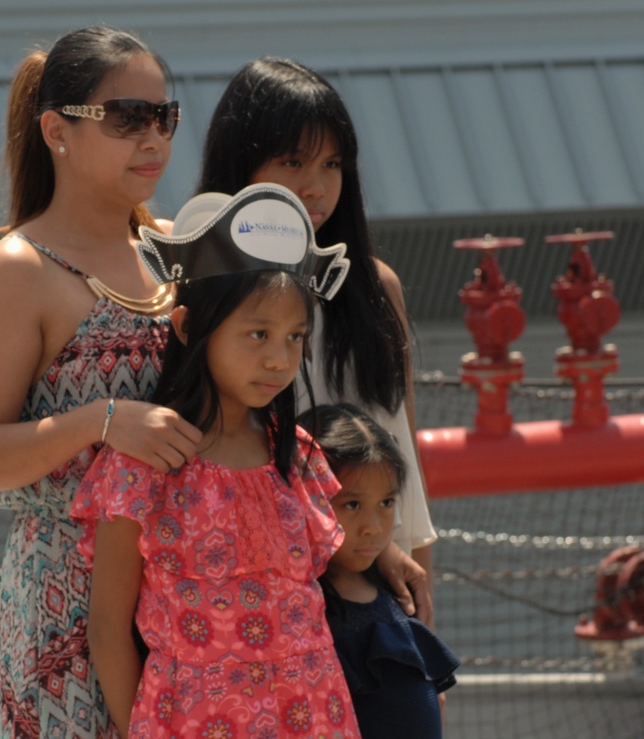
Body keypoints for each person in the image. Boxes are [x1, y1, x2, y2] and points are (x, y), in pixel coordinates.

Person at [0, 26, 201, 737]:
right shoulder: (20, 269)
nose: (152, 138)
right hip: (64, 600)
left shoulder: (177, 248)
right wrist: (101, 420)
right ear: (56, 130)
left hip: (187, 590)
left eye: (164, 116)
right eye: (127, 118)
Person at [71, 184, 360, 737]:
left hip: (315, 713)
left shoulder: (294, 453)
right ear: (187, 328)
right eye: (257, 334)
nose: (279, 358)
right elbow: (107, 630)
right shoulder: (142, 463)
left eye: (295, 336)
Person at [197, 56, 438, 623]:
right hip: (262, 603)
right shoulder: (202, 298)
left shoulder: (376, 287)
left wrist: (422, 631)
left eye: (332, 164)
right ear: (240, 166)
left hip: (380, 592)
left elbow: (404, 469)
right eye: (292, 160)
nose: (316, 184)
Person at [300, 403, 459, 739]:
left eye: (386, 503)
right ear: (305, 498)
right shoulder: (299, 609)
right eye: (352, 505)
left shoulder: (396, 593)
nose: (373, 527)